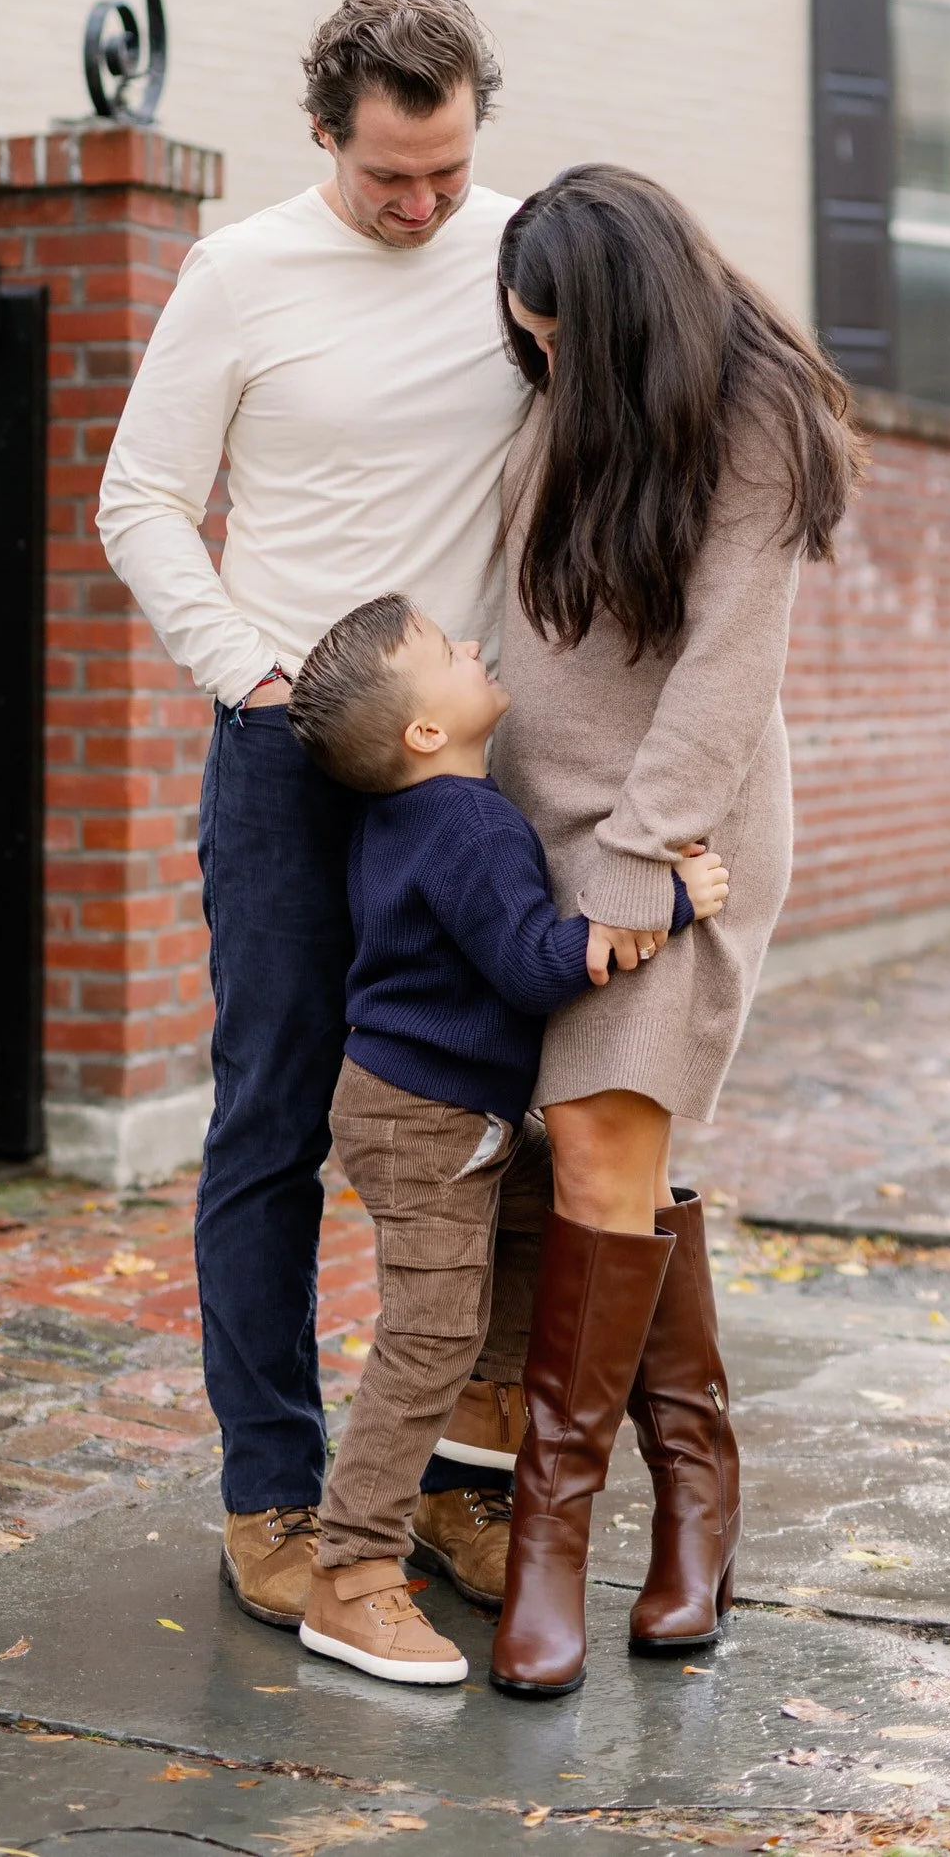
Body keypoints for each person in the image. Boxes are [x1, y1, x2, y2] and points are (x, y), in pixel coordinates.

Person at [97, 0, 556, 1630]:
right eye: (387, 179)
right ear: (323, 137)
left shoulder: (521, 256)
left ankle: (443, 1487)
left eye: (443, 172)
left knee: (490, 1136)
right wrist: (248, 670)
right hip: (291, 764)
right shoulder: (239, 275)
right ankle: (274, 1501)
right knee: (277, 1123)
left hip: (470, 776)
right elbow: (139, 493)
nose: (420, 206)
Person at [485, 165, 864, 1698]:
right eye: (533, 348)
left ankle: (550, 1541)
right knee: (631, 1169)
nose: (550, 373)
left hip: (674, 834)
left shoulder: (761, 415)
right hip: (542, 826)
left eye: (566, 343)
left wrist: (639, 865)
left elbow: (725, 670)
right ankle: (700, 1499)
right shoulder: (565, 389)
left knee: (597, 1150)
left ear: (628, 318)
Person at [280, 593, 727, 1683]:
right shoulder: (469, 823)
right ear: (425, 731)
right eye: (447, 649)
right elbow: (532, 964)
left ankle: (494, 1408)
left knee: (562, 1213)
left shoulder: (411, 814)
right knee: (427, 1331)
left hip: (427, 1110)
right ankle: (350, 1570)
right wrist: (670, 901)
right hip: (423, 1121)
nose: (474, 645)